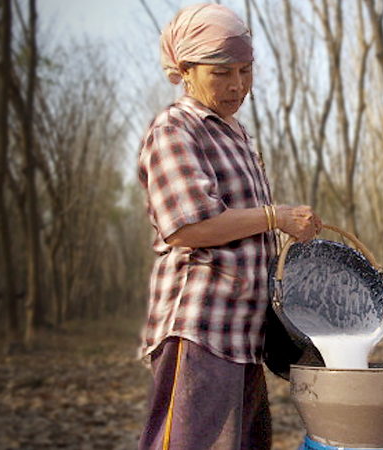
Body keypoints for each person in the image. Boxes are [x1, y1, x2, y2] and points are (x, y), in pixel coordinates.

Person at [136, 4, 321, 450]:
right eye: (221, 73)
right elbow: (187, 227)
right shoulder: (176, 128)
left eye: (245, 69)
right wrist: (277, 216)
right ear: (184, 70)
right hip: (202, 327)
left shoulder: (234, 134)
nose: (237, 85)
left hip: (244, 332)